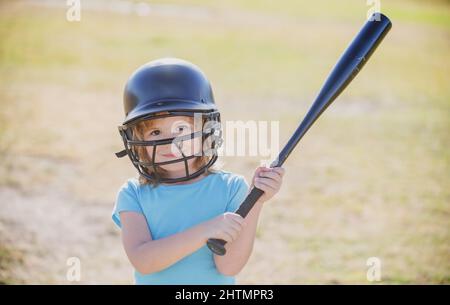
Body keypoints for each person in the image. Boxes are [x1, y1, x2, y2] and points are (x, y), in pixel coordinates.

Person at [113, 58, 285, 284]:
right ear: (136, 140)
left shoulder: (231, 188)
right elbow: (144, 261)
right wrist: (206, 230)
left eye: (182, 128)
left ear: (206, 131)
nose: (170, 141)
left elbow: (229, 266)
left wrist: (256, 201)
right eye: (155, 132)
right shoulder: (133, 194)